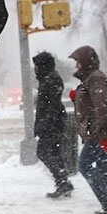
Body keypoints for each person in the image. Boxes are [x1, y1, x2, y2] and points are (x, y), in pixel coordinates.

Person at [68, 46, 107, 214]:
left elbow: (101, 106)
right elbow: (92, 101)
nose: (76, 66)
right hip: (99, 131)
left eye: (78, 61)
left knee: (84, 165)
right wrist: (76, 97)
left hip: (98, 133)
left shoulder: (95, 78)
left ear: (85, 61)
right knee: (104, 167)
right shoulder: (91, 78)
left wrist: (100, 134)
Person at [32, 51, 74, 199]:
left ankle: (63, 181)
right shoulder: (49, 78)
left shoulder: (50, 80)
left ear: (43, 65)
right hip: (54, 122)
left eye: (36, 65)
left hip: (51, 124)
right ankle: (63, 182)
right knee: (55, 153)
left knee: (43, 152)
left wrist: (43, 125)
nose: (35, 68)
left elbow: (49, 107)